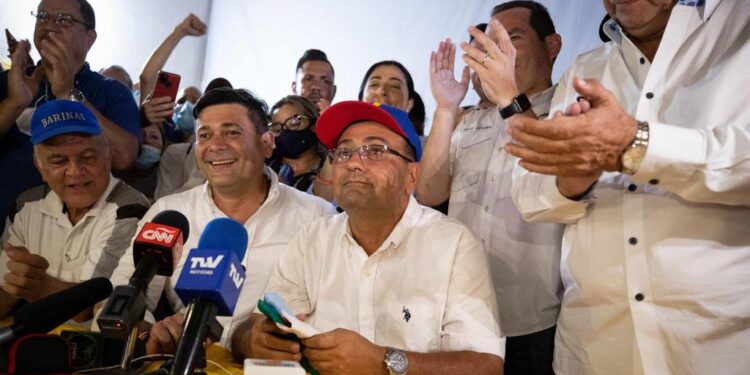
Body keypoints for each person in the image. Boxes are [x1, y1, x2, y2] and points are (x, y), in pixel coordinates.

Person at [477, 0, 750, 373]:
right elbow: (530, 196)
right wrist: (569, 181)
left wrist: (635, 145)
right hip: (593, 351)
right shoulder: (586, 69)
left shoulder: (741, 33)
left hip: (717, 352)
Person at [232, 101, 505, 375]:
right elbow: (251, 329)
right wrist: (254, 340)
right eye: (344, 151)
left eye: (375, 150)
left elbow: (486, 366)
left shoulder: (454, 245)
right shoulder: (312, 239)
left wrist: (384, 362)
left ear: (412, 176)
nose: (353, 163)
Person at [107, 88, 334, 355]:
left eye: (232, 132)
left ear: (266, 144)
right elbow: (123, 295)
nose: (216, 145)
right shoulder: (170, 213)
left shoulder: (317, 215)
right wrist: (148, 335)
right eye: (204, 135)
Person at [418, 3, 563, 374]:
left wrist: (508, 97)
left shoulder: (568, 108)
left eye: (512, 39)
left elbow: (561, 181)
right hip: (462, 312)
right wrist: (446, 109)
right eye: (487, 46)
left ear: (552, 46)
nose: (499, 54)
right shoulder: (468, 120)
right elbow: (429, 194)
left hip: (538, 318)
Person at [0, 0, 142, 234]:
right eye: (42, 17)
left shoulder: (111, 92)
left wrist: (68, 93)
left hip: (73, 235)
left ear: (90, 37)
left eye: (64, 20)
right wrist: (14, 104)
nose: (49, 26)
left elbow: (125, 157)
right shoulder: (10, 81)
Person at [0, 99, 149, 319]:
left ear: (107, 156)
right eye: (59, 161)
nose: (75, 171)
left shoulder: (130, 209)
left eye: (87, 157)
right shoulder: (25, 205)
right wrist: (15, 285)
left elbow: (99, 307)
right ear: (39, 166)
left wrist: (39, 286)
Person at [267, 95, 327, 193]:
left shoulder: (331, 169)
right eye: (277, 128)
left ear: (314, 124)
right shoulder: (263, 167)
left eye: (294, 122)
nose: (285, 131)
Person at [358, 60, 426, 136]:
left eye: (394, 86)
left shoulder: (424, 146)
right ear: (361, 99)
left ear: (409, 104)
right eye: (374, 84)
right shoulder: (344, 141)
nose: (382, 91)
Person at [291, 49, 336, 113]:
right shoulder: (279, 120)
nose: (316, 86)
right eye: (308, 79)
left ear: (334, 91)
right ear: (294, 87)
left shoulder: (348, 122)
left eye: (325, 81)